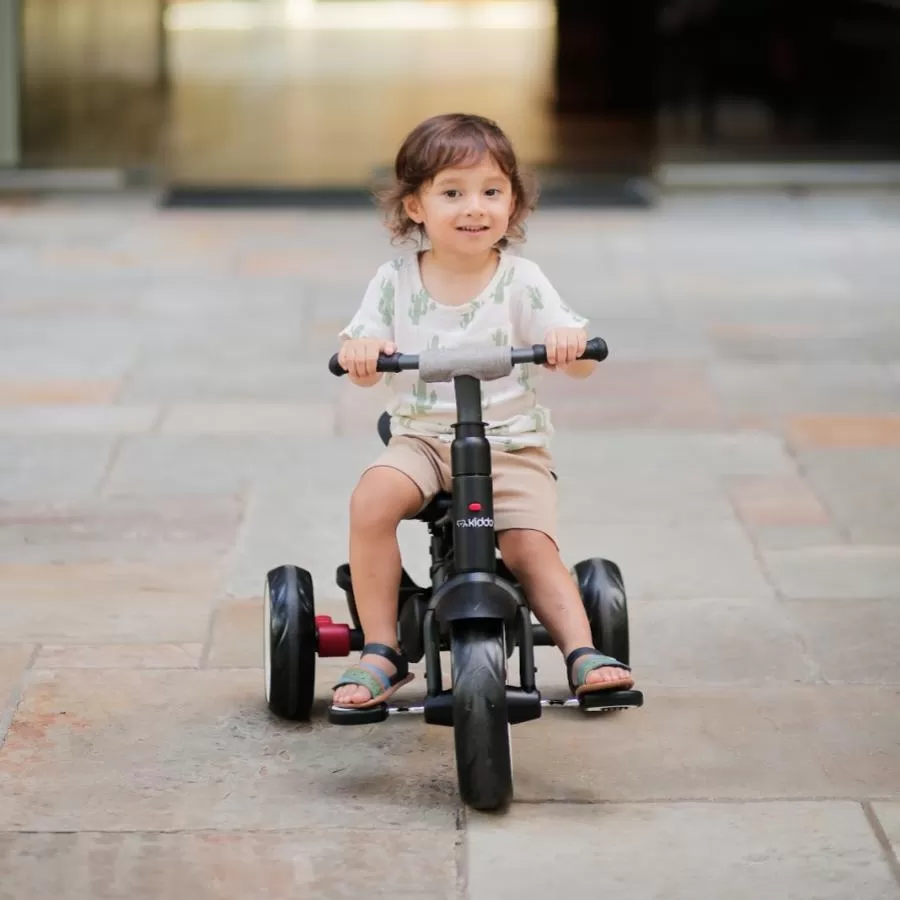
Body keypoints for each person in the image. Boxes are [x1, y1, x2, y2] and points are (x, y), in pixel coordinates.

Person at [332, 112, 635, 709]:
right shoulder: (394, 282)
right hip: (422, 440)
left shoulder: (522, 281)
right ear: (415, 207)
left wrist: (568, 346)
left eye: (492, 192)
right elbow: (359, 346)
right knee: (371, 501)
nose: (475, 207)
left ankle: (581, 650)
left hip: (510, 444)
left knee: (528, 544)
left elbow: (578, 357)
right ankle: (383, 649)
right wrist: (362, 352)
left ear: (513, 203)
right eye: (453, 193)